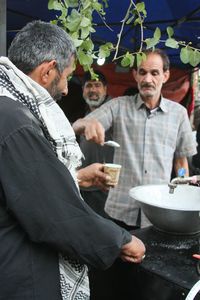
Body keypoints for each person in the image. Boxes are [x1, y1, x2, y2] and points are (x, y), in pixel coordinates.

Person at [0, 20, 146, 300]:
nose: (67, 88)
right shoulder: (15, 121)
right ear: (47, 71)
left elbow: (22, 188)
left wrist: (76, 177)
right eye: (66, 75)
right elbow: (54, 214)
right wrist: (122, 241)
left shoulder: (10, 105)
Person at [73, 48, 197, 231]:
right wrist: (86, 124)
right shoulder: (118, 106)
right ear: (135, 75)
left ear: (166, 75)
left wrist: (182, 194)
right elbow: (77, 125)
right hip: (119, 210)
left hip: (159, 211)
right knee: (118, 259)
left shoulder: (178, 113)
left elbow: (181, 163)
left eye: (154, 73)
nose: (148, 79)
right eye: (142, 72)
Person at [79, 70, 114, 217]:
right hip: (84, 184)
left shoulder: (114, 111)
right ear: (83, 90)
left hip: (104, 188)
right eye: (89, 86)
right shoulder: (85, 114)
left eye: (97, 85)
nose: (93, 90)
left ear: (105, 89)